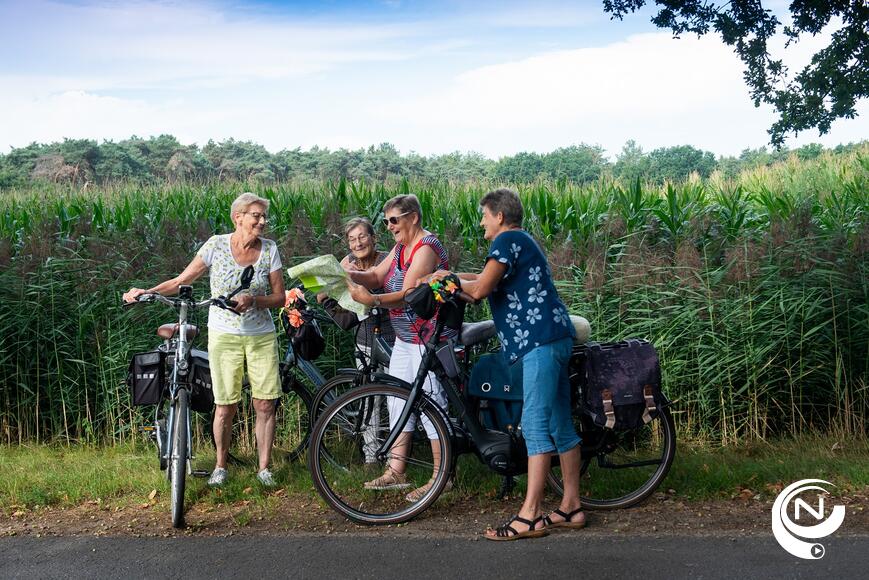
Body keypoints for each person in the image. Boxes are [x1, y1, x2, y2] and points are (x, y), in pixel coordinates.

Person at [432, 188, 584, 540]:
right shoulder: (518, 242)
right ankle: (572, 506)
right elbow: (482, 279)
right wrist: (452, 278)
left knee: (533, 425)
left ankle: (530, 514)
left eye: (484, 214)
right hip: (553, 337)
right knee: (559, 421)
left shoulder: (506, 241)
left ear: (499, 215)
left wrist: (445, 281)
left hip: (539, 343)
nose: (482, 221)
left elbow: (481, 288)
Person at [122, 192, 285, 488]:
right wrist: (145, 291)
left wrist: (254, 301)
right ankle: (221, 466)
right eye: (256, 216)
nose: (262, 221)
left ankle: (264, 469)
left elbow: (280, 297)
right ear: (238, 218)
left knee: (264, 405)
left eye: (264, 216)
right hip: (224, 335)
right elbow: (181, 280)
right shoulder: (216, 245)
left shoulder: (270, 249)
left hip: (261, 335)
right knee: (225, 406)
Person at [346, 194, 455, 502]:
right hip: (406, 339)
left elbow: (408, 292)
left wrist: (374, 300)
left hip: (430, 337)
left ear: (413, 217)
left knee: (432, 403)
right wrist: (346, 274)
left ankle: (441, 476)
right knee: (398, 401)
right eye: (385, 221)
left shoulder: (426, 247)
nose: (389, 226)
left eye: (394, 220)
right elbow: (377, 275)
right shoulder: (401, 247)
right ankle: (396, 470)